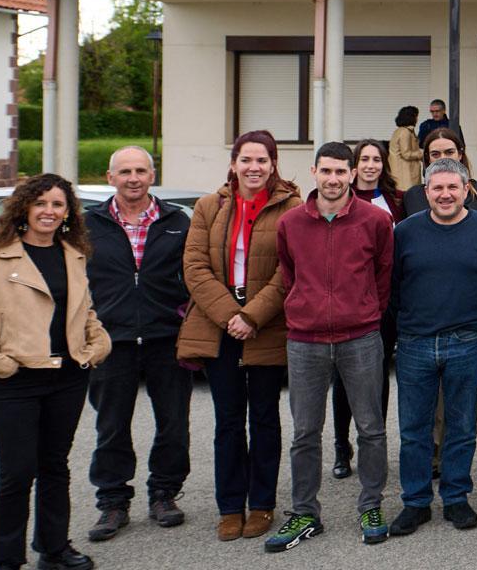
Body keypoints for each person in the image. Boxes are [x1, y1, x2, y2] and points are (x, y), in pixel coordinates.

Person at [0, 173, 112, 570]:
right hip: (11, 382)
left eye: (57, 205)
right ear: (24, 207)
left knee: (54, 467)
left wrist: (97, 345)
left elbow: (84, 311)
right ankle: (5, 559)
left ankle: (54, 549)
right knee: (16, 472)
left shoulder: (73, 254)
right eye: (41, 203)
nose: (49, 211)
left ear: (67, 214)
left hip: (66, 378)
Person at [270, 142, 396, 551]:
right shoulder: (290, 223)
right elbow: (289, 275)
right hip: (304, 340)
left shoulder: (375, 220)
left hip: (360, 336)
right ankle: (305, 512)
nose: (334, 179)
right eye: (326, 171)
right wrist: (305, 309)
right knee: (305, 432)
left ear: (353, 174)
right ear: (314, 172)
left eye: (342, 172)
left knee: (370, 428)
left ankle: (371, 506)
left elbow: (383, 275)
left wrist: (362, 311)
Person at [178, 130, 301, 543]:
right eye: (246, 160)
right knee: (228, 421)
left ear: (273, 164)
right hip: (220, 325)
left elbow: (291, 270)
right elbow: (194, 267)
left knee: (265, 418)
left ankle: (262, 503)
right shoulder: (209, 207)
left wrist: (252, 316)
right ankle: (231, 506)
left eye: (262, 161)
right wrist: (232, 315)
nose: (254, 168)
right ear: (234, 163)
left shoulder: (291, 207)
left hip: (266, 323)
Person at [387, 158, 477, 536]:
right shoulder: (405, 232)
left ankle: (456, 497)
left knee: (461, 426)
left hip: (465, 342)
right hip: (414, 342)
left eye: (452, 188)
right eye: (437, 188)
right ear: (426, 192)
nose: (445, 194)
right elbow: (392, 286)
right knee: (413, 429)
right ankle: (416, 502)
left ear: (465, 189)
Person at [83, 146, 191, 543]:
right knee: (111, 426)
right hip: (112, 341)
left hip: (167, 338)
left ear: (152, 175)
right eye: (125, 171)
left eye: (141, 170)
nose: (133, 178)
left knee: (174, 423)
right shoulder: (87, 224)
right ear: (110, 177)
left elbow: (194, 274)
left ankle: (164, 493)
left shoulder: (177, 220)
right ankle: (112, 501)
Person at [331, 139, 404, 481]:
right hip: (346, 304)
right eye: (365, 159)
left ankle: (373, 443)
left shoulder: (397, 201)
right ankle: (341, 446)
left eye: (377, 159)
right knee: (343, 378)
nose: (372, 165)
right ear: (354, 165)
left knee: (378, 378)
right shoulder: (340, 200)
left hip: (384, 303)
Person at [399, 128, 477, 217]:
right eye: (435, 154)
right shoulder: (413, 197)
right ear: (428, 158)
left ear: (460, 155)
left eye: (449, 152)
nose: (443, 158)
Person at [390, 106, 424, 193]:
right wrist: (422, 153)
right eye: (416, 116)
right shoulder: (405, 132)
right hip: (406, 176)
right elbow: (406, 154)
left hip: (400, 174)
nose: (417, 119)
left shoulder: (398, 131)